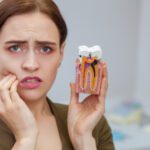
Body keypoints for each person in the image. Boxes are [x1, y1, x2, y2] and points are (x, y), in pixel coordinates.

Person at [0, 0, 115, 149]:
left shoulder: (91, 125)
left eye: (46, 49)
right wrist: (25, 140)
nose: (31, 64)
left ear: (61, 54)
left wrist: (84, 140)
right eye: (15, 48)